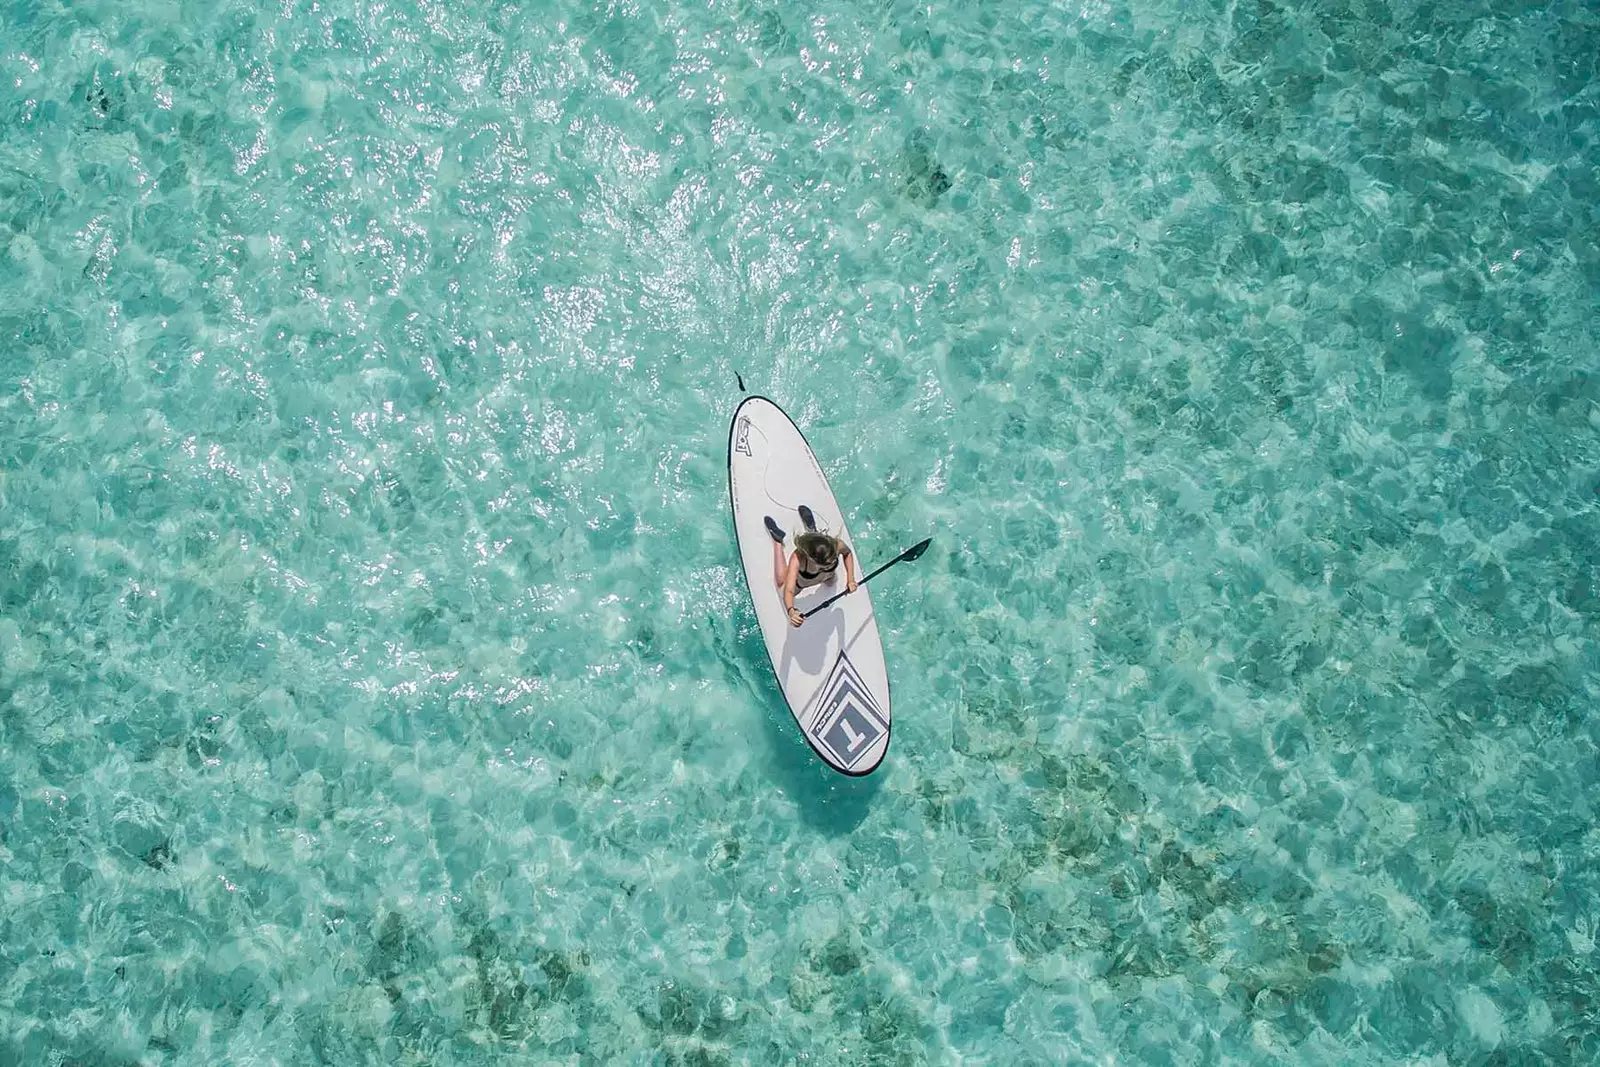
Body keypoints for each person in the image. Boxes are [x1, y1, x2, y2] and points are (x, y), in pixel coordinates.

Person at [763, 505, 856, 627]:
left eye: (830, 561)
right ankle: (778, 541)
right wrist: (791, 611)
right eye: (822, 565)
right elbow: (789, 590)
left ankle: (813, 531)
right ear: (808, 557)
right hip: (802, 583)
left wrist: (851, 579)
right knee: (782, 585)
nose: (826, 565)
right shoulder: (797, 558)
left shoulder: (837, 545)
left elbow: (847, 553)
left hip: (828, 577)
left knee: (831, 582)